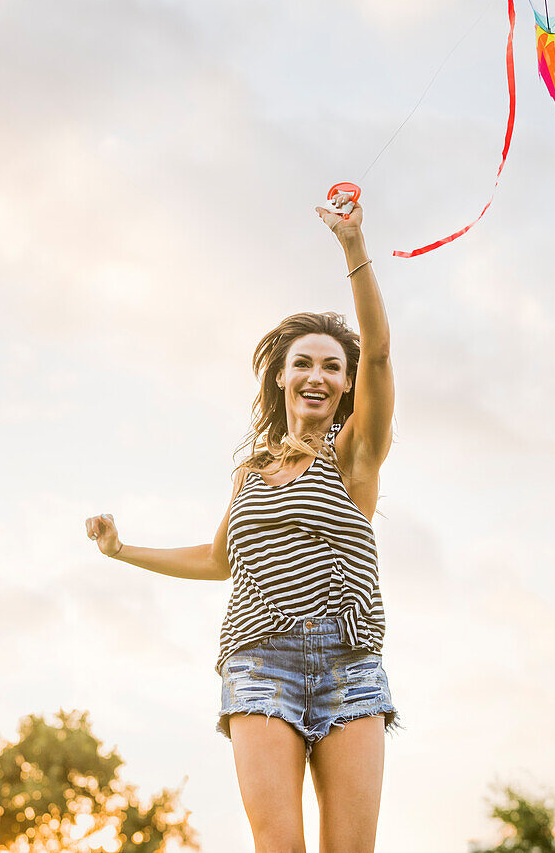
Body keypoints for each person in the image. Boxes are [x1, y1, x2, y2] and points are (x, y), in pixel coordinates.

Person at [85, 196, 396, 853]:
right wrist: (120, 551)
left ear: (346, 385)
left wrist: (352, 247)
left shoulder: (355, 456)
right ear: (281, 376)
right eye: (304, 363)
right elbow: (219, 558)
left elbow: (383, 356)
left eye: (333, 366)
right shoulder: (250, 472)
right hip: (260, 662)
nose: (318, 374)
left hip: (349, 662)